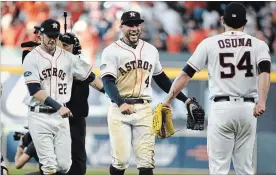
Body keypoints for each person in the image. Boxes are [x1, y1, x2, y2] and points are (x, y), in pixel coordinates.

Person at [162, 2, 271, 175]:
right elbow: (265, 73)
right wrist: (262, 102)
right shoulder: (259, 45)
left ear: (222, 20)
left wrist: (168, 99)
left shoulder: (210, 43)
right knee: (245, 170)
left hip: (222, 108)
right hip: (249, 109)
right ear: (245, 22)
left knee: (219, 169)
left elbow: (185, 75)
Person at [100, 11, 194, 175]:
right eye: (130, 24)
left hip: (143, 108)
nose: (135, 28)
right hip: (119, 108)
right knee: (121, 160)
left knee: (146, 162)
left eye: (137, 24)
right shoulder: (111, 51)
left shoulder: (151, 50)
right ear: (121, 27)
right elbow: (107, 82)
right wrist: (120, 102)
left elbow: (162, 80)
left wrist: (185, 100)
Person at [22, 18, 104, 175]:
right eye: (49, 35)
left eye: (55, 35)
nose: (52, 39)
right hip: (39, 115)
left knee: (64, 166)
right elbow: (34, 90)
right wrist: (59, 106)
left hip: (60, 118)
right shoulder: (32, 58)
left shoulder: (67, 57)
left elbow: (91, 77)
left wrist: (115, 97)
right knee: (49, 166)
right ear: (40, 35)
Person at [59, 32, 105, 175]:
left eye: (66, 46)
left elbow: (98, 84)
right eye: (60, 45)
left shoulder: (79, 64)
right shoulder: (50, 64)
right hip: (56, 117)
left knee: (77, 161)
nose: (62, 49)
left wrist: (117, 98)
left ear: (75, 47)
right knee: (56, 162)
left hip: (75, 118)